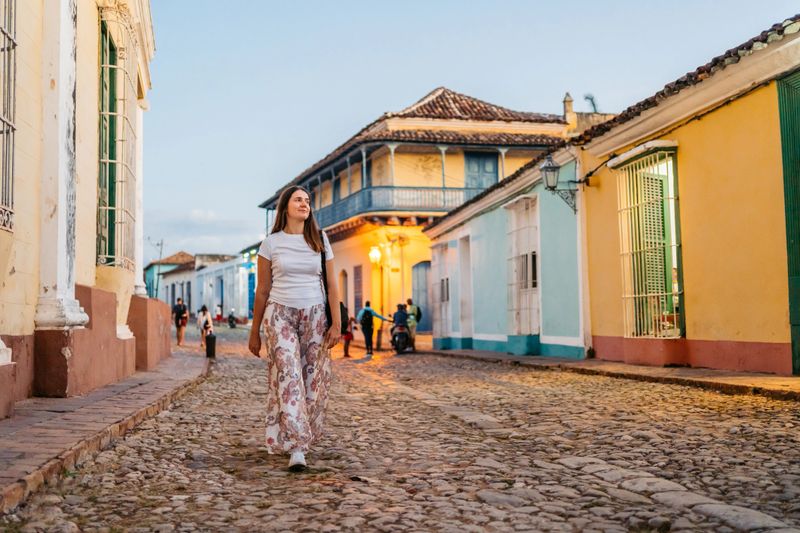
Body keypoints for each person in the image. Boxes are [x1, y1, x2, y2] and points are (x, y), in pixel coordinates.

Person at [248, 185, 341, 472]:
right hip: (280, 314)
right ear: (285, 207)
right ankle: (297, 447)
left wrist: (337, 323)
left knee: (310, 379)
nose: (304, 204)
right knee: (289, 376)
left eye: (308, 201)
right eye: (298, 200)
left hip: (314, 315)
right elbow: (262, 290)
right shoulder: (271, 244)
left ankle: (296, 435)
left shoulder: (320, 240)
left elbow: (332, 284)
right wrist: (254, 332)